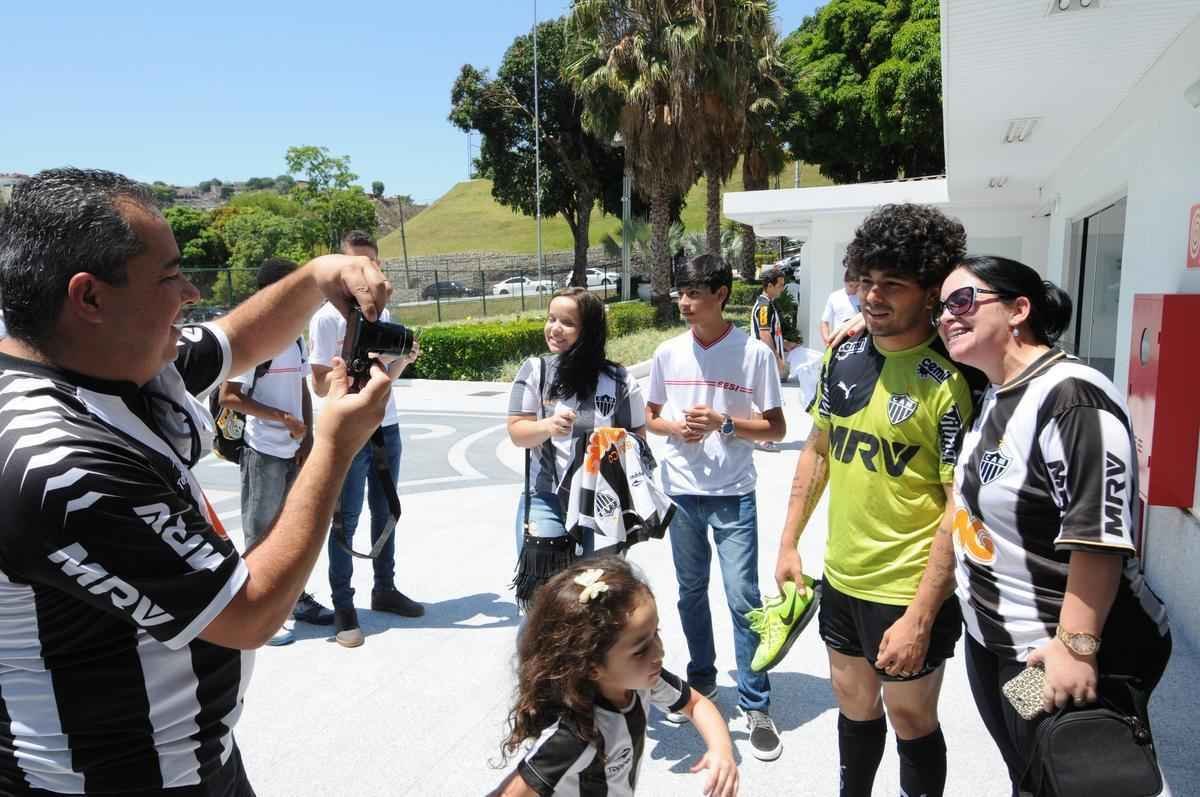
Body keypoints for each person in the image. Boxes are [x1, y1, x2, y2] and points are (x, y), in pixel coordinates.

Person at [0, 168, 399, 795]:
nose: (190, 292)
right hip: (119, 781)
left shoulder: (109, 358)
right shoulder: (59, 463)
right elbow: (249, 611)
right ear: (90, 298)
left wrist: (320, 275)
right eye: (169, 277)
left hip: (192, 758)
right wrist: (334, 446)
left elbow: (236, 338)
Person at [936, 256, 1171, 796]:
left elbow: (1099, 537)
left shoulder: (1072, 397)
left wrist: (1077, 648)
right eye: (940, 308)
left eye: (962, 301)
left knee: (1076, 778)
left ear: (1019, 309)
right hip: (999, 642)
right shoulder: (997, 390)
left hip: (1059, 647)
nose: (947, 316)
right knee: (1031, 769)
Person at [769, 204, 976, 797]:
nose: (872, 296)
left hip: (908, 589)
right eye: (865, 280)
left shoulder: (954, 378)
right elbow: (819, 451)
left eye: (893, 284)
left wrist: (922, 614)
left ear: (931, 291)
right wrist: (789, 542)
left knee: (911, 718)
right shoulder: (845, 354)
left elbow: (959, 508)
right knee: (854, 707)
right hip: (842, 579)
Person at [646, 253, 787, 762]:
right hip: (681, 492)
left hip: (733, 494)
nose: (684, 302)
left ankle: (756, 702)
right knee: (690, 593)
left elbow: (776, 429)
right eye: (680, 293)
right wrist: (674, 427)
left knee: (743, 597)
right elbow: (651, 417)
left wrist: (724, 423)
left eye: (694, 293)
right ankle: (702, 680)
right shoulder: (667, 353)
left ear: (721, 295)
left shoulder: (754, 355)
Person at [489, 556, 739, 797]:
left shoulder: (646, 681)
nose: (659, 652)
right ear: (592, 667)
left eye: (656, 633)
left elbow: (695, 704)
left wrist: (722, 750)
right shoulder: (576, 733)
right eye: (640, 650)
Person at [309, 229, 422, 648]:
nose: (364, 271)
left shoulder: (384, 314)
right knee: (347, 519)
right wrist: (348, 366)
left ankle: (384, 588)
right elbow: (319, 384)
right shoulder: (326, 317)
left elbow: (386, 378)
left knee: (385, 510)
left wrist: (401, 360)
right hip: (349, 429)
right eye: (354, 263)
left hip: (385, 424)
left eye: (371, 263)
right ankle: (343, 605)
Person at [218, 257, 332, 646]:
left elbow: (302, 387)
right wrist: (282, 418)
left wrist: (308, 435)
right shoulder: (252, 341)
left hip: (293, 448)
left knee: (291, 530)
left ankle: (294, 600)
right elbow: (229, 397)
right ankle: (259, 613)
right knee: (260, 531)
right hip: (262, 450)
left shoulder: (294, 338)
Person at [506, 288, 647, 602]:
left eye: (567, 322)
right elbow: (517, 432)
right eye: (551, 318)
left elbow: (639, 441)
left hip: (603, 505)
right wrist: (547, 426)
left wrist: (612, 445)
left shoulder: (620, 380)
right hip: (545, 499)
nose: (555, 328)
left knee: (596, 602)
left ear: (590, 331)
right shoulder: (536, 370)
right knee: (542, 602)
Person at [750, 266, 796, 380]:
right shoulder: (764, 306)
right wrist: (777, 359)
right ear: (770, 286)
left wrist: (784, 344)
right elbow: (764, 334)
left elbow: (770, 332)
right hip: (765, 363)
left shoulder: (767, 303)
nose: (782, 289)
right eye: (780, 286)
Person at [820, 269, 861, 346]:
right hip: (839, 341)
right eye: (851, 286)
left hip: (860, 341)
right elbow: (824, 322)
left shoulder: (864, 297)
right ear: (845, 282)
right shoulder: (835, 297)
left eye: (857, 286)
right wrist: (827, 340)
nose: (854, 289)